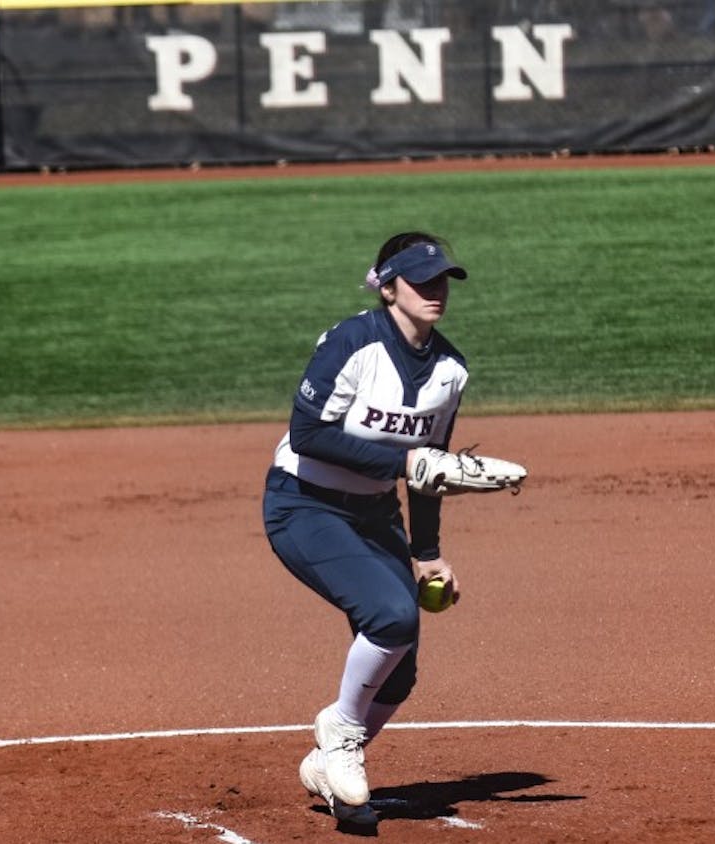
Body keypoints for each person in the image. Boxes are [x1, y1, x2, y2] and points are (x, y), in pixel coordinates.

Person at [262, 231, 471, 827]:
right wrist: (403, 463)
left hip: (375, 515)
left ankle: (326, 760)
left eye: (443, 281)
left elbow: (429, 469)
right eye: (421, 281)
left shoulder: (450, 372)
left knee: (399, 666)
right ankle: (342, 734)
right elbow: (309, 436)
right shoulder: (352, 343)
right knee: (392, 617)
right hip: (303, 505)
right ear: (387, 287)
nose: (435, 292)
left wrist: (428, 554)